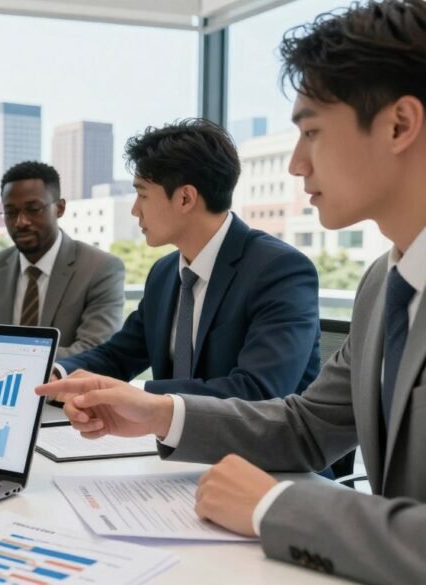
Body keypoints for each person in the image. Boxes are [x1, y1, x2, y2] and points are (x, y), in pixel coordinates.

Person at [36, 1, 426, 582]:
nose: (296, 164)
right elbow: (305, 426)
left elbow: (263, 392)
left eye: (312, 131)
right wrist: (157, 413)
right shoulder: (382, 285)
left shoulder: (283, 269)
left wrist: (274, 507)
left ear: (399, 125)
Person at [53, 119, 321, 401]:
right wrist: (59, 374)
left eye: (142, 194)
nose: (135, 210)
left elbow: (258, 391)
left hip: (254, 443)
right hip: (175, 442)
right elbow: (119, 355)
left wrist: (139, 398)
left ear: (185, 198)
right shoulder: (165, 272)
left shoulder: (279, 270)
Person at [0, 161, 125, 358]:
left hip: (63, 387)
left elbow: (94, 350)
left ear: (59, 208)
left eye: (33, 209)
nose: (20, 222)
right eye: (10, 212)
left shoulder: (100, 268)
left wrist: (0, 359)